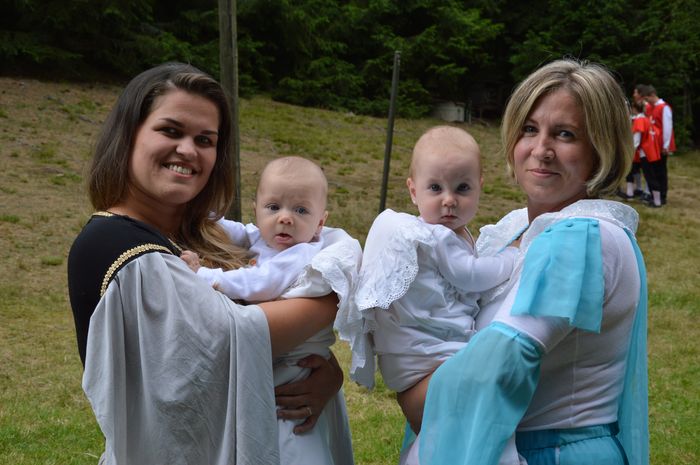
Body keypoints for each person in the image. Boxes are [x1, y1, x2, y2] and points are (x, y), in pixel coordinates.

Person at [67, 62, 346, 465]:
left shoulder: (206, 235)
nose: (188, 150)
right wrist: (332, 297)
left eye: (205, 139)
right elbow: (220, 340)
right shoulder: (113, 244)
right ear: (129, 134)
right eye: (170, 130)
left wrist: (324, 370)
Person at [401, 59, 648, 465]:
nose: (541, 150)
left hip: (553, 453)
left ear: (600, 148)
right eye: (530, 129)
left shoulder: (580, 238)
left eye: (565, 134)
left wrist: (407, 388)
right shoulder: (516, 229)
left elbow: (494, 369)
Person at [351, 126, 519, 464]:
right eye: (435, 188)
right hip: (428, 356)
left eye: (462, 188)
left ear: (480, 186)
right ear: (413, 191)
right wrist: (513, 257)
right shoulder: (435, 236)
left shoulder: (451, 233)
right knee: (482, 403)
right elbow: (472, 275)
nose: (449, 200)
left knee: (448, 437)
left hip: (412, 365)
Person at [181, 155, 359, 465]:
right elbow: (235, 231)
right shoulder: (262, 237)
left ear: (320, 222)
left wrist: (205, 276)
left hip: (291, 363)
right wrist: (204, 217)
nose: (285, 218)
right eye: (273, 207)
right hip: (268, 353)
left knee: (287, 435)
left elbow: (260, 283)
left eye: (301, 210)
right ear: (257, 210)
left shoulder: (301, 252)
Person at [641, 85, 675, 205]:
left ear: (652, 95)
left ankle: (662, 196)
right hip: (653, 145)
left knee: (660, 171)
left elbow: (667, 127)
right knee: (654, 171)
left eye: (647, 98)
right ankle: (656, 195)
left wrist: (665, 145)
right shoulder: (652, 107)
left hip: (660, 146)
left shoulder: (664, 107)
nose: (647, 101)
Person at [629, 99, 663, 208]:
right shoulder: (646, 119)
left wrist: (630, 152)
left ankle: (657, 202)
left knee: (650, 177)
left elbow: (637, 140)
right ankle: (656, 200)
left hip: (645, 153)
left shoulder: (639, 120)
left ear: (634, 109)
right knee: (652, 176)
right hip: (652, 152)